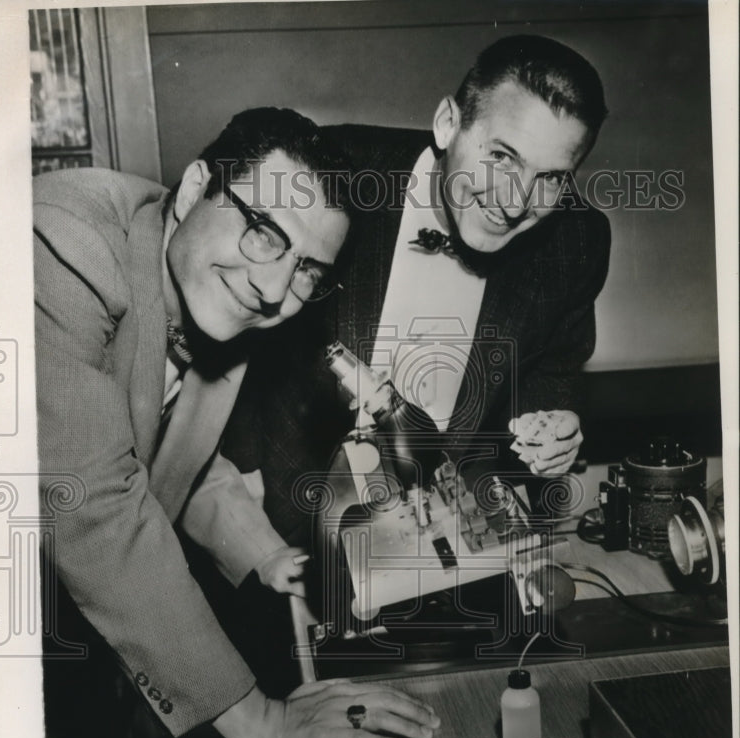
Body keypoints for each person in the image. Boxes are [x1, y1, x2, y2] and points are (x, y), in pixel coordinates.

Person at [35, 107, 439, 738]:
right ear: (195, 188)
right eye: (264, 232)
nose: (275, 289)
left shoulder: (213, 290)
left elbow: (164, 449)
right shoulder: (63, 242)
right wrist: (262, 720)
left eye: (307, 269)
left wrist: (266, 554)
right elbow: (93, 502)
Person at [221, 35, 612, 544]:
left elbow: (553, 369)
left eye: (552, 178)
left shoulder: (576, 240)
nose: (516, 204)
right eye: (502, 156)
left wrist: (553, 428)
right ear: (448, 123)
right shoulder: (329, 175)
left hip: (447, 534)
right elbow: (233, 324)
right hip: (283, 512)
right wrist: (244, 517)